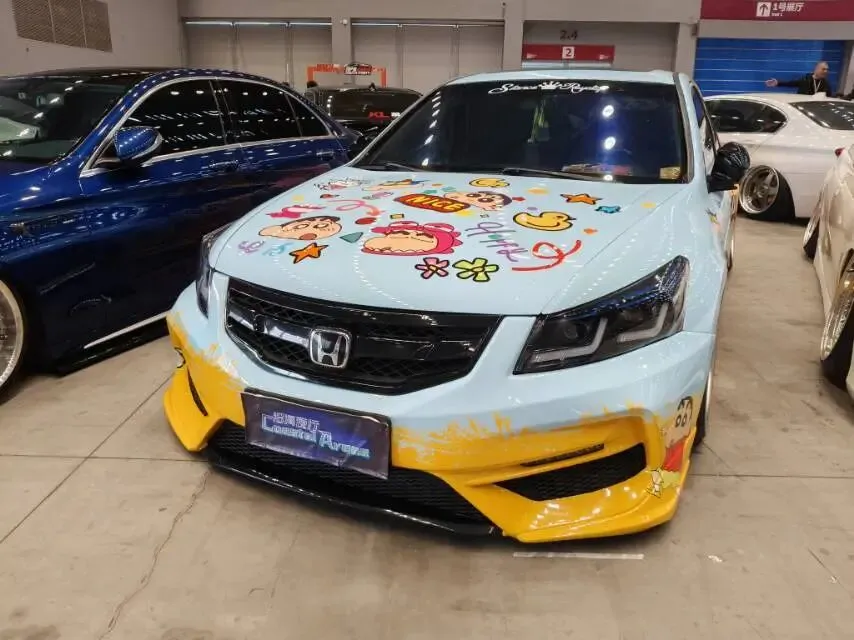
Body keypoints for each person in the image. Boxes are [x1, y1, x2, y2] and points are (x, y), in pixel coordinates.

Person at [765, 61, 833, 95]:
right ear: (816, 69)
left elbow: (829, 98)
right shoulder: (805, 79)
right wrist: (778, 83)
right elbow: (791, 83)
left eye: (827, 69)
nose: (826, 71)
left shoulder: (826, 84)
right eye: (823, 69)